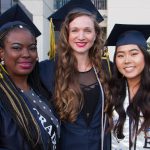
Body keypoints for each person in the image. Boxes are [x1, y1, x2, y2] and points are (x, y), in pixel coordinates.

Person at [40, 3, 112, 150]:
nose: (81, 36)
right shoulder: (47, 70)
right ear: (67, 34)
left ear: (96, 34)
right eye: (75, 30)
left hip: (101, 145)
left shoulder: (108, 68)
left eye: (87, 30)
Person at [0, 4, 60, 150]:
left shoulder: (41, 89)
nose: (26, 54)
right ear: (1, 53)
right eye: (16, 48)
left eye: (32, 48)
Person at [106, 23, 150, 149]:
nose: (126, 60)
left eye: (134, 53)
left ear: (145, 57)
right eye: (120, 55)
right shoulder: (110, 92)